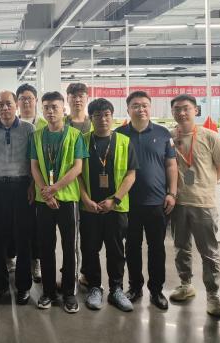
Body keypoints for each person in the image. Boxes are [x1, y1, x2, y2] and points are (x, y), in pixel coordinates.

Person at [169, 94, 220, 318]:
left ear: (196, 110)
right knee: (181, 247)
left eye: (186, 108)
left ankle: (213, 295)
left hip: (203, 203)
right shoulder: (169, 137)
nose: (181, 113)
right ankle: (186, 284)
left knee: (209, 252)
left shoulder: (210, 136)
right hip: (178, 202)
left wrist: (203, 186)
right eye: (177, 109)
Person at [116, 91, 178, 310]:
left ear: (150, 108)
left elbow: (171, 165)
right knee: (132, 247)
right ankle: (134, 287)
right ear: (128, 109)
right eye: (135, 105)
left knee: (156, 248)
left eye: (144, 105)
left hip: (157, 203)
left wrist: (172, 193)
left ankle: (156, 290)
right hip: (128, 203)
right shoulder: (119, 134)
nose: (140, 109)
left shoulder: (163, 133)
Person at [30, 91, 88, 313]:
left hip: (68, 199)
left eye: (54, 107)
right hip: (43, 200)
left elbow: (78, 167)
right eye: (46, 107)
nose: (50, 111)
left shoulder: (75, 135)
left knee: (69, 247)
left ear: (63, 109)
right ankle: (48, 292)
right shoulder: (36, 136)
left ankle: (69, 293)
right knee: (46, 246)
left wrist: (55, 188)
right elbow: (34, 166)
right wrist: (47, 193)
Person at [79, 98, 138, 312]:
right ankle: (95, 287)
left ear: (112, 117)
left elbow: (131, 174)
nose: (103, 119)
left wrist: (115, 199)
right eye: (97, 115)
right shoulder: (82, 140)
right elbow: (77, 175)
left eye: (106, 115)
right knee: (90, 249)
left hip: (116, 207)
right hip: (90, 208)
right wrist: (85, 199)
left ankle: (116, 289)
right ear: (91, 118)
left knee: (116, 250)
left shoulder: (124, 141)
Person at [0, 91, 35, 305]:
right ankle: (1, 285)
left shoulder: (29, 130)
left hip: (22, 187)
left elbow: (34, 160)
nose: (5, 108)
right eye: (1, 104)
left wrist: (32, 184)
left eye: (9, 104)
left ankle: (23, 286)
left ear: (16, 105)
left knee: (24, 239)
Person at [16, 82, 47, 283]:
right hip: (18, 183)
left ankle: (36, 261)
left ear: (36, 101)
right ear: (17, 102)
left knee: (38, 226)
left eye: (30, 98)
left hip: (42, 184)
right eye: (22, 99)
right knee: (18, 224)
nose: (26, 102)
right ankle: (15, 257)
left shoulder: (45, 124)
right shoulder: (11, 123)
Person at [65, 82, 92, 288]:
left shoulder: (95, 123)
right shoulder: (61, 124)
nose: (77, 99)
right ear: (67, 99)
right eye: (73, 96)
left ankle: (87, 273)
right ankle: (71, 274)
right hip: (68, 188)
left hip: (93, 187)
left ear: (86, 98)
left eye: (81, 95)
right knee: (70, 238)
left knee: (90, 237)